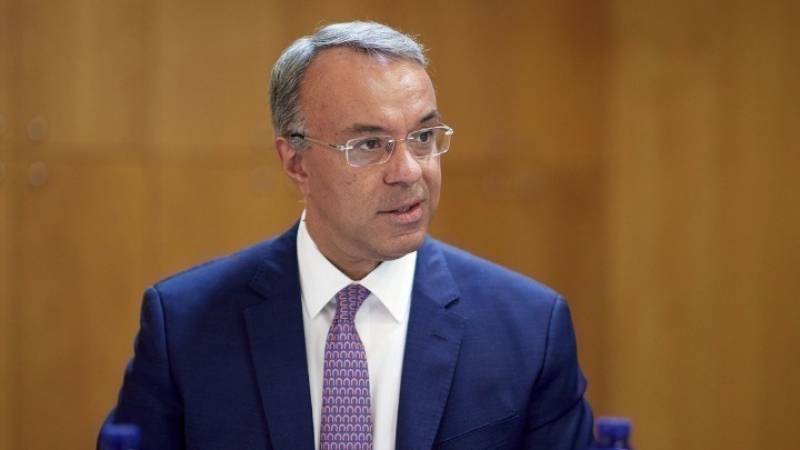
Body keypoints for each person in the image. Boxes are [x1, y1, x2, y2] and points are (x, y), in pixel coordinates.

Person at [103, 21, 594, 450]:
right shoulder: (184, 325)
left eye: (423, 137)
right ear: (296, 162)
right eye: (369, 144)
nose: (408, 171)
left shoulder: (528, 328)